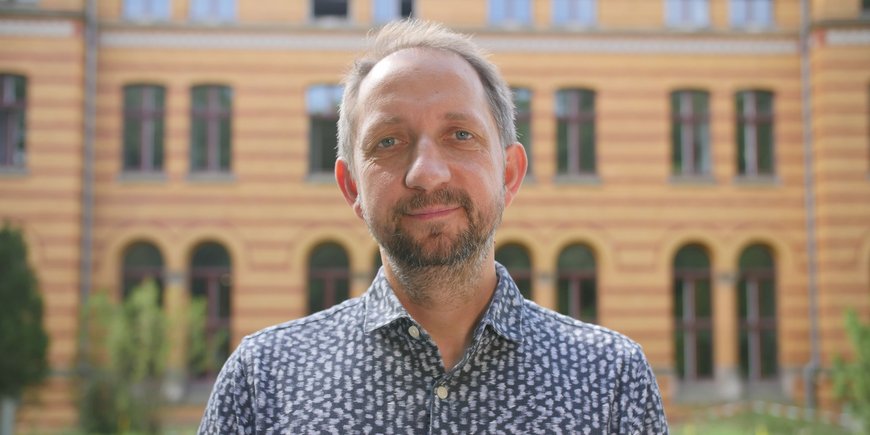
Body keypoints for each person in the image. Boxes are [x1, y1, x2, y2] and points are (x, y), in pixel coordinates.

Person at [198, 19, 668, 434]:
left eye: (460, 135)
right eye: (388, 141)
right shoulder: (263, 382)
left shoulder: (611, 380)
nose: (426, 173)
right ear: (351, 187)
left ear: (509, 174)